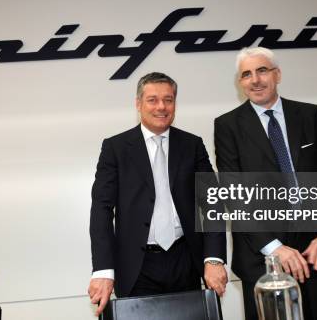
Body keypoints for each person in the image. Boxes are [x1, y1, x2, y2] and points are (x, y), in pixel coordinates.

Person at [214, 47, 317, 320]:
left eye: (262, 70)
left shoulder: (309, 115)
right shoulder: (227, 126)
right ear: (240, 83)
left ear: (277, 74)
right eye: (247, 74)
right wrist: (274, 248)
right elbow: (234, 195)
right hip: (262, 257)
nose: (255, 80)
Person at [88, 72, 228, 316]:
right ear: (138, 103)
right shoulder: (115, 148)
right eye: (153, 100)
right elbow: (101, 210)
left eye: (169, 99)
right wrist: (103, 271)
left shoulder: (192, 145)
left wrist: (214, 258)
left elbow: (212, 204)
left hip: (185, 260)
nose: (161, 107)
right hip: (136, 266)